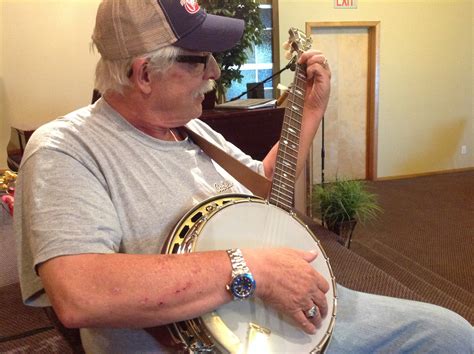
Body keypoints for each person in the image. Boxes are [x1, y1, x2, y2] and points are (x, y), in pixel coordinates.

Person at [15, 1, 473, 353]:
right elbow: (80, 293)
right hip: (217, 335)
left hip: (286, 306)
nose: (216, 71)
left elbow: (265, 188)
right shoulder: (66, 148)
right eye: (200, 60)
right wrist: (250, 269)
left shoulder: (190, 127)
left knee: (452, 333)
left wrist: (309, 111)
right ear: (144, 73)